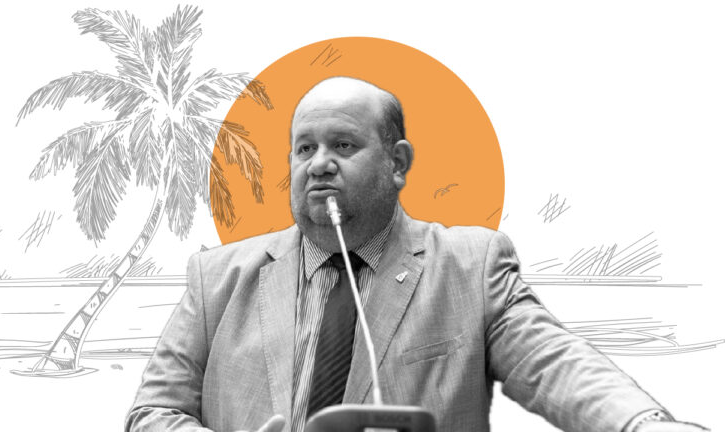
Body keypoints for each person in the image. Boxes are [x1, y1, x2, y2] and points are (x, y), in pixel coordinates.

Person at [125, 77, 707, 432]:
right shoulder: (216, 277)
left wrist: (643, 425)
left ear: (397, 163)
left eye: (343, 145)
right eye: (304, 148)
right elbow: (152, 413)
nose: (319, 164)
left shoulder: (471, 267)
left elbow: (555, 363)